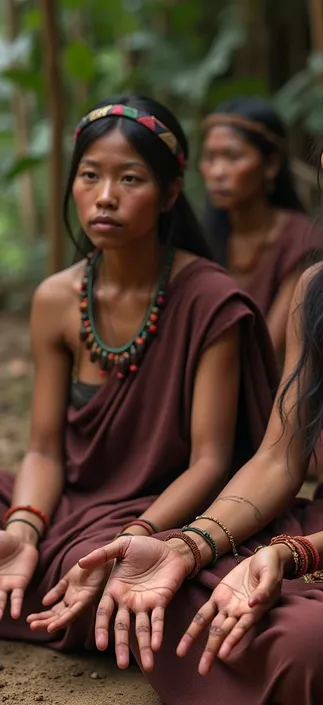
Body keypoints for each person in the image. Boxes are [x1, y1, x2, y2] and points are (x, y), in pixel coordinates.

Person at [75, 44, 323, 704]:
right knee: (168, 595)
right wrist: (190, 546)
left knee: (307, 647)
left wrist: (292, 553)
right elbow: (279, 456)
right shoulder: (320, 288)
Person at [0, 95, 278, 650]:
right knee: (29, 551)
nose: (105, 197)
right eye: (89, 176)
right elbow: (44, 451)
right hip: (68, 500)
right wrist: (23, 529)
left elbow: (210, 461)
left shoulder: (211, 301)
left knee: (120, 580)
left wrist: (132, 538)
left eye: (129, 179)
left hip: (158, 509)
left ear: (170, 192)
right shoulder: (56, 298)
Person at [201, 96, 323, 365]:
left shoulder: (301, 239)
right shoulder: (206, 239)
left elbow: (270, 346)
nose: (218, 172)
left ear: (271, 165)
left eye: (232, 156)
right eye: (210, 157)